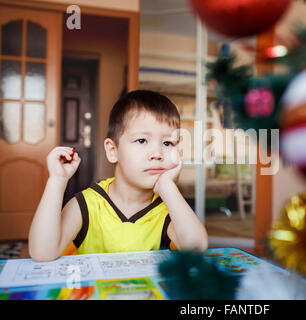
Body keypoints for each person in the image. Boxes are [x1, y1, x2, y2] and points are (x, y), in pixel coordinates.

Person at [28, 90, 208, 261]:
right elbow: (42, 253)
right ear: (113, 151)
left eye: (168, 143)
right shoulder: (88, 204)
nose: (157, 153)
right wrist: (57, 181)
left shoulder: (168, 208)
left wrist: (168, 187)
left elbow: (196, 250)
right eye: (142, 140)